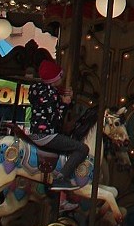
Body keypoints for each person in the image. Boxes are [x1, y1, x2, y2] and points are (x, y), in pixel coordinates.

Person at [25, 58, 87, 190]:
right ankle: (61, 178)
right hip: (46, 134)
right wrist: (65, 104)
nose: (62, 79)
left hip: (36, 132)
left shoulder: (40, 90)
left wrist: (63, 99)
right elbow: (55, 118)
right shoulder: (50, 94)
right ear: (54, 79)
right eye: (60, 76)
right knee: (82, 148)